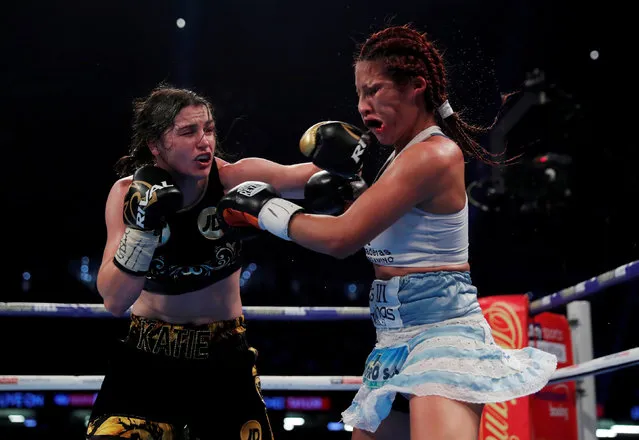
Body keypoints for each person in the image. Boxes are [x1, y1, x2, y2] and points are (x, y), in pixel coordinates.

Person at [215, 24, 558, 440]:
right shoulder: (391, 156)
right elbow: (287, 175)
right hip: (392, 341)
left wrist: (264, 209)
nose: (362, 106)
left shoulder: (434, 154)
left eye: (374, 90)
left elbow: (342, 238)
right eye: (359, 92)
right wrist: (217, 171)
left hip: (443, 336)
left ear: (416, 86)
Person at [86, 84, 331, 440]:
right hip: (147, 356)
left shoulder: (234, 180)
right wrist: (143, 230)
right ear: (156, 145)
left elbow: (311, 180)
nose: (205, 141)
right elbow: (114, 300)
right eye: (188, 132)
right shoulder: (127, 194)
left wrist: (356, 154)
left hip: (223, 357)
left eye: (209, 129)